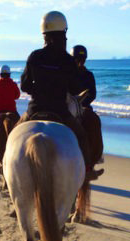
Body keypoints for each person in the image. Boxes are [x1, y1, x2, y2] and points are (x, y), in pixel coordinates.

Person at [19, 11, 101, 180]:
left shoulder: (34, 56)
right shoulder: (67, 60)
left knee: (14, 132)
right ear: (63, 33)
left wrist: (39, 91)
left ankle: (4, 166)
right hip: (60, 111)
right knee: (82, 137)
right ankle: (86, 171)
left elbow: (25, 85)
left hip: (35, 110)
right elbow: (74, 88)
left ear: (44, 34)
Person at [72, 44, 104, 166]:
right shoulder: (67, 74)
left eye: (82, 59)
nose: (80, 62)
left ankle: (96, 156)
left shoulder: (89, 75)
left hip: (83, 106)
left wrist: (82, 102)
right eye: (77, 59)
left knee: (94, 121)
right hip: (68, 105)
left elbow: (92, 94)